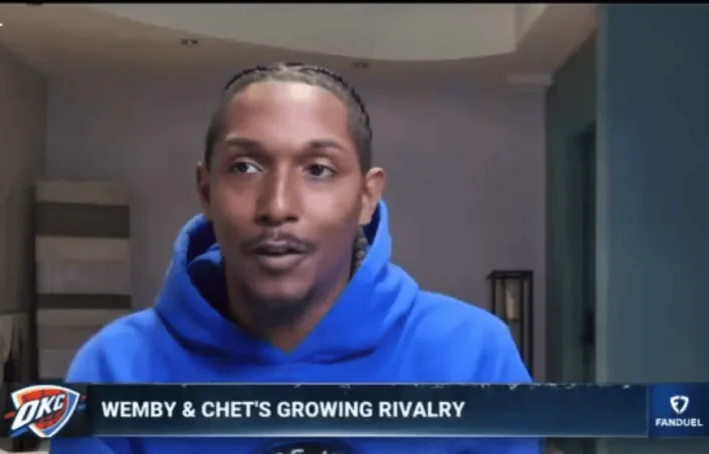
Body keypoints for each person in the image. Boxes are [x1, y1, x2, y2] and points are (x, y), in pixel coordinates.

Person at [50, 62, 539, 454]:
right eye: (245, 167)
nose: (278, 206)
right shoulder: (116, 367)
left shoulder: (474, 355)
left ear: (366, 198)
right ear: (206, 190)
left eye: (318, 169)